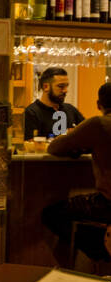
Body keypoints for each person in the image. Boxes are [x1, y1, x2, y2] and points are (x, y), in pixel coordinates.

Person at [44, 81, 111, 265]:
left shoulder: (99, 124)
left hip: (107, 204)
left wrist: (83, 144)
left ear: (99, 105)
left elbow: (55, 148)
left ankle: (101, 251)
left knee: (53, 214)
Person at [24, 66, 85, 140]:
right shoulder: (32, 112)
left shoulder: (71, 110)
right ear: (46, 87)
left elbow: (88, 132)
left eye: (66, 86)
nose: (65, 90)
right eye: (61, 86)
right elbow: (31, 145)